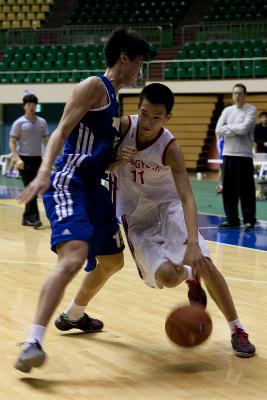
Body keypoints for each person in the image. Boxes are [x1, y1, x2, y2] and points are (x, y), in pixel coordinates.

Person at [56, 83, 256, 359]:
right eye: (145, 113)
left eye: (157, 117)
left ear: (168, 118)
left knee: (205, 262)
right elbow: (91, 165)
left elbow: (186, 197)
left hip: (169, 208)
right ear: (137, 110)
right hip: (136, 218)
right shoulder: (122, 129)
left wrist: (194, 243)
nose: (148, 122)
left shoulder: (170, 147)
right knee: (168, 277)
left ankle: (238, 330)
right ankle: (189, 276)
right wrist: (114, 160)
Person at [14, 28, 151, 373]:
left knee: (112, 262)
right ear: (124, 57)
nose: (140, 70)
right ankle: (33, 341)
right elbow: (60, 132)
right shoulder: (93, 86)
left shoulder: (115, 102)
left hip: (94, 186)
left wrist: (118, 159)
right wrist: (44, 173)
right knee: (73, 258)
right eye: (139, 62)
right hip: (67, 183)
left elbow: (95, 153)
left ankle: (74, 315)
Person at [215, 83, 256, 231]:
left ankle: (249, 220)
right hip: (228, 155)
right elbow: (218, 129)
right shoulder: (227, 110)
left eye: (240, 93)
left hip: (244, 156)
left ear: (245, 95)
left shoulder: (251, 110)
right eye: (235, 93)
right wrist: (234, 130)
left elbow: (244, 129)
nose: (237, 96)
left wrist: (228, 129)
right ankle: (232, 219)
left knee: (247, 190)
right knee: (229, 190)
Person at [9, 90, 50, 228]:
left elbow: (47, 141)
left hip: (37, 159)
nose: (31, 106)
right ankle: (35, 218)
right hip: (24, 161)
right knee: (31, 188)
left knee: (34, 188)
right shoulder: (19, 123)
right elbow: (12, 143)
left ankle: (26, 218)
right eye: (29, 104)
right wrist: (17, 159)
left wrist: (50, 158)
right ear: (24, 106)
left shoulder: (42, 122)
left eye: (33, 104)